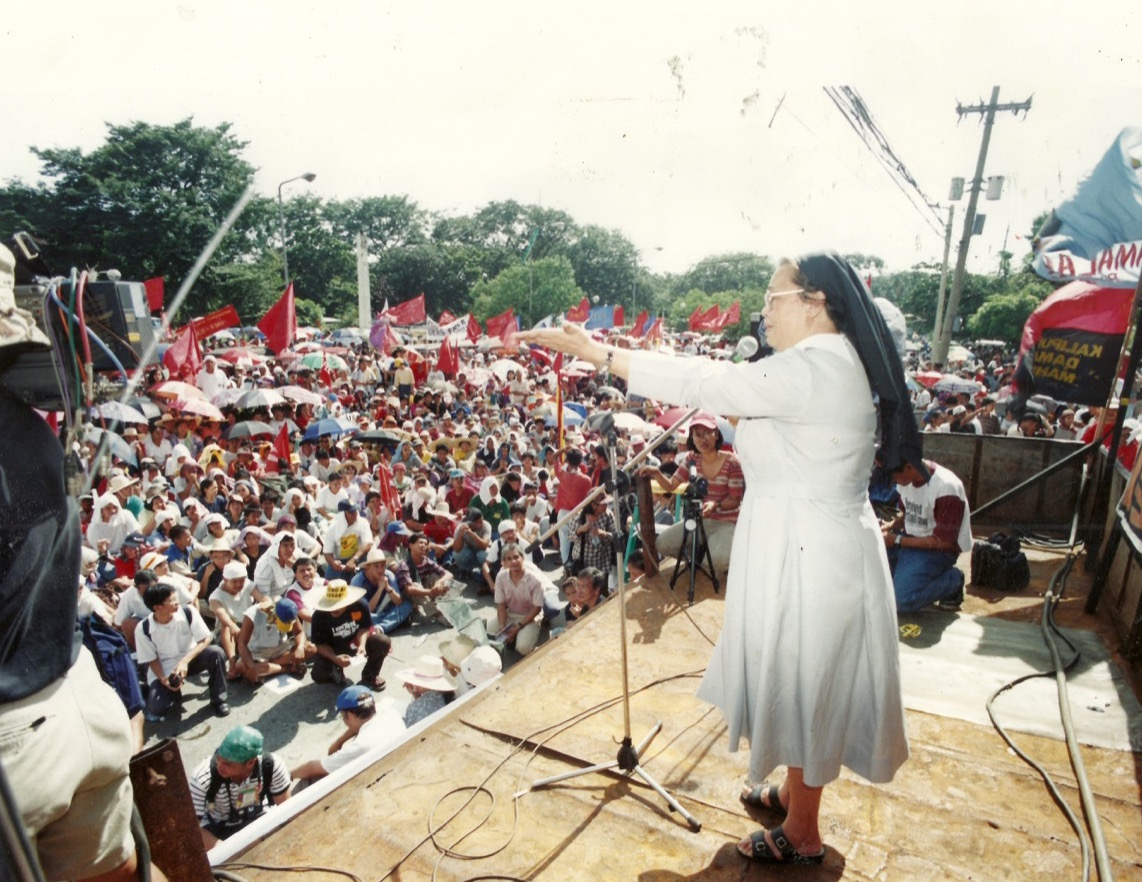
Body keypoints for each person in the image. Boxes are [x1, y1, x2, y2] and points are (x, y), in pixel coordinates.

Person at [520, 251, 920, 866]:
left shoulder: (812, 367)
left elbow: (701, 381)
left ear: (814, 304)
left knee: (805, 677)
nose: (764, 313)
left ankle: (803, 832)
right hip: (808, 540)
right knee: (800, 672)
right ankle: (794, 792)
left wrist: (597, 352)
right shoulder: (821, 363)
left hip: (807, 551)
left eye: (772, 298)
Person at [640, 412, 743, 576]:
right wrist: (656, 473)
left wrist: (716, 505)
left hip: (726, 522)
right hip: (699, 521)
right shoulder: (691, 459)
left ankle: (709, 556)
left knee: (716, 561)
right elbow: (671, 485)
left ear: (716, 435)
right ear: (692, 438)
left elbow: (735, 500)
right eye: (698, 435)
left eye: (707, 433)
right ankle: (701, 554)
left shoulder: (732, 462)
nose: (703, 439)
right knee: (662, 544)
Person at [883, 459, 973, 612]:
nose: (894, 481)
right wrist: (890, 526)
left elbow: (946, 543)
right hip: (911, 541)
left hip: (938, 551)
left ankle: (953, 580)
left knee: (902, 601)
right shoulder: (906, 481)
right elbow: (911, 515)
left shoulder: (946, 487)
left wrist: (898, 540)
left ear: (909, 467)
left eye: (895, 476)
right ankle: (911, 579)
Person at [135, 581, 230, 720]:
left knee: (216, 653)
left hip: (192, 658)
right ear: (157, 607)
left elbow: (205, 639)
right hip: (165, 668)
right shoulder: (143, 628)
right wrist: (164, 679)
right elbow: (151, 659)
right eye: (172, 600)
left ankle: (219, 700)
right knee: (157, 709)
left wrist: (185, 661)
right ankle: (163, 691)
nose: (177, 601)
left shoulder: (187, 612)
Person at [188, 725, 290, 849]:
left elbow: (286, 810)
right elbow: (193, 830)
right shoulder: (202, 778)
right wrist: (228, 851)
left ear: (250, 763)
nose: (220, 766)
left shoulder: (272, 766)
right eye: (219, 758)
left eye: (227, 764)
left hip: (258, 820)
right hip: (218, 830)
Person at [290, 684, 405, 784]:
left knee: (309, 779)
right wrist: (339, 742)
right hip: (396, 763)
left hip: (380, 778)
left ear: (349, 715)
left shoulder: (361, 746)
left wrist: (290, 775)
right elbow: (358, 724)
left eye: (342, 716)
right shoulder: (391, 713)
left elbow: (313, 767)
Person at [310, 579, 391, 691]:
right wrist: (334, 658)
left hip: (355, 642)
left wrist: (362, 645)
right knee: (318, 675)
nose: (334, 609)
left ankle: (370, 675)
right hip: (334, 648)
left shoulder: (360, 605)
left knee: (382, 642)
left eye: (338, 605)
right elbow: (319, 644)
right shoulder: (319, 616)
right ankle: (336, 672)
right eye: (331, 605)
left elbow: (364, 627)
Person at [492, 542, 545, 656]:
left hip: (530, 617)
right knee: (488, 633)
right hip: (510, 614)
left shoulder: (535, 580)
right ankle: (514, 636)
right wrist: (502, 628)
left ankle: (522, 637)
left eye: (516, 557)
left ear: (523, 558)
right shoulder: (501, 577)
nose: (513, 561)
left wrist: (518, 627)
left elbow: (537, 608)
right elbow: (500, 604)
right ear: (504, 563)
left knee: (523, 648)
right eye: (509, 559)